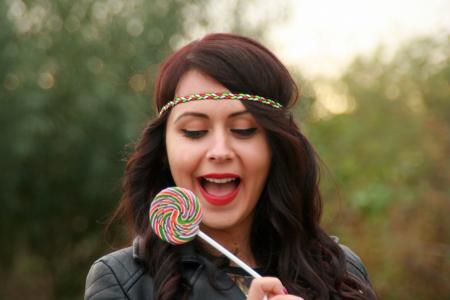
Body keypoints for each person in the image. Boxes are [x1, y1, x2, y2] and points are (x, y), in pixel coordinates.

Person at [84, 33, 376, 300]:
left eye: (244, 130)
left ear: (275, 147)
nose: (220, 151)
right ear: (164, 151)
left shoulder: (342, 270)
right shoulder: (122, 281)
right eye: (195, 131)